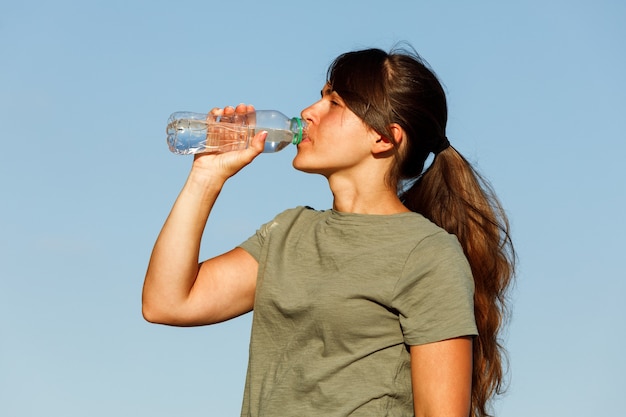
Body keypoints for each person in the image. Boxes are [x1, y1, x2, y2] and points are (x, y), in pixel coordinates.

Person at [142, 46, 515, 417]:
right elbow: (167, 302)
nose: (309, 112)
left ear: (384, 137)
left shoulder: (427, 254)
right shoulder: (287, 234)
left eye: (334, 103)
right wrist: (207, 176)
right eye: (321, 96)